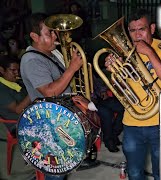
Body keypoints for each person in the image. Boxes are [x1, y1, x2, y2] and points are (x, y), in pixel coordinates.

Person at [20, 13, 96, 180]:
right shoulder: (32, 60)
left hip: (60, 117)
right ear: (34, 36)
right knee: (56, 173)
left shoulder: (51, 53)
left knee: (62, 168)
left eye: (54, 32)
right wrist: (72, 68)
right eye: (49, 33)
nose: (55, 36)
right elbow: (49, 92)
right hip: (49, 123)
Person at [104, 9, 161, 180]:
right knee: (135, 173)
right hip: (132, 122)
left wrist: (150, 53)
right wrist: (113, 70)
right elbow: (120, 88)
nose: (137, 35)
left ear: (152, 28)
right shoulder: (124, 51)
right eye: (132, 31)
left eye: (141, 29)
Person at [92, 75, 124, 152]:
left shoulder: (87, 70)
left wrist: (103, 91)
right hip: (90, 102)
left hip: (100, 98)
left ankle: (114, 133)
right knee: (106, 113)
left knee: (124, 108)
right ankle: (108, 140)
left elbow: (98, 82)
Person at [0, 55, 30, 136]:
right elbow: (18, 110)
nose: (17, 73)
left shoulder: (16, 82)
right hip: (17, 124)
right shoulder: (2, 89)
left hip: (29, 116)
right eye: (13, 70)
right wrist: (32, 91)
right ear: (2, 70)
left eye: (18, 70)